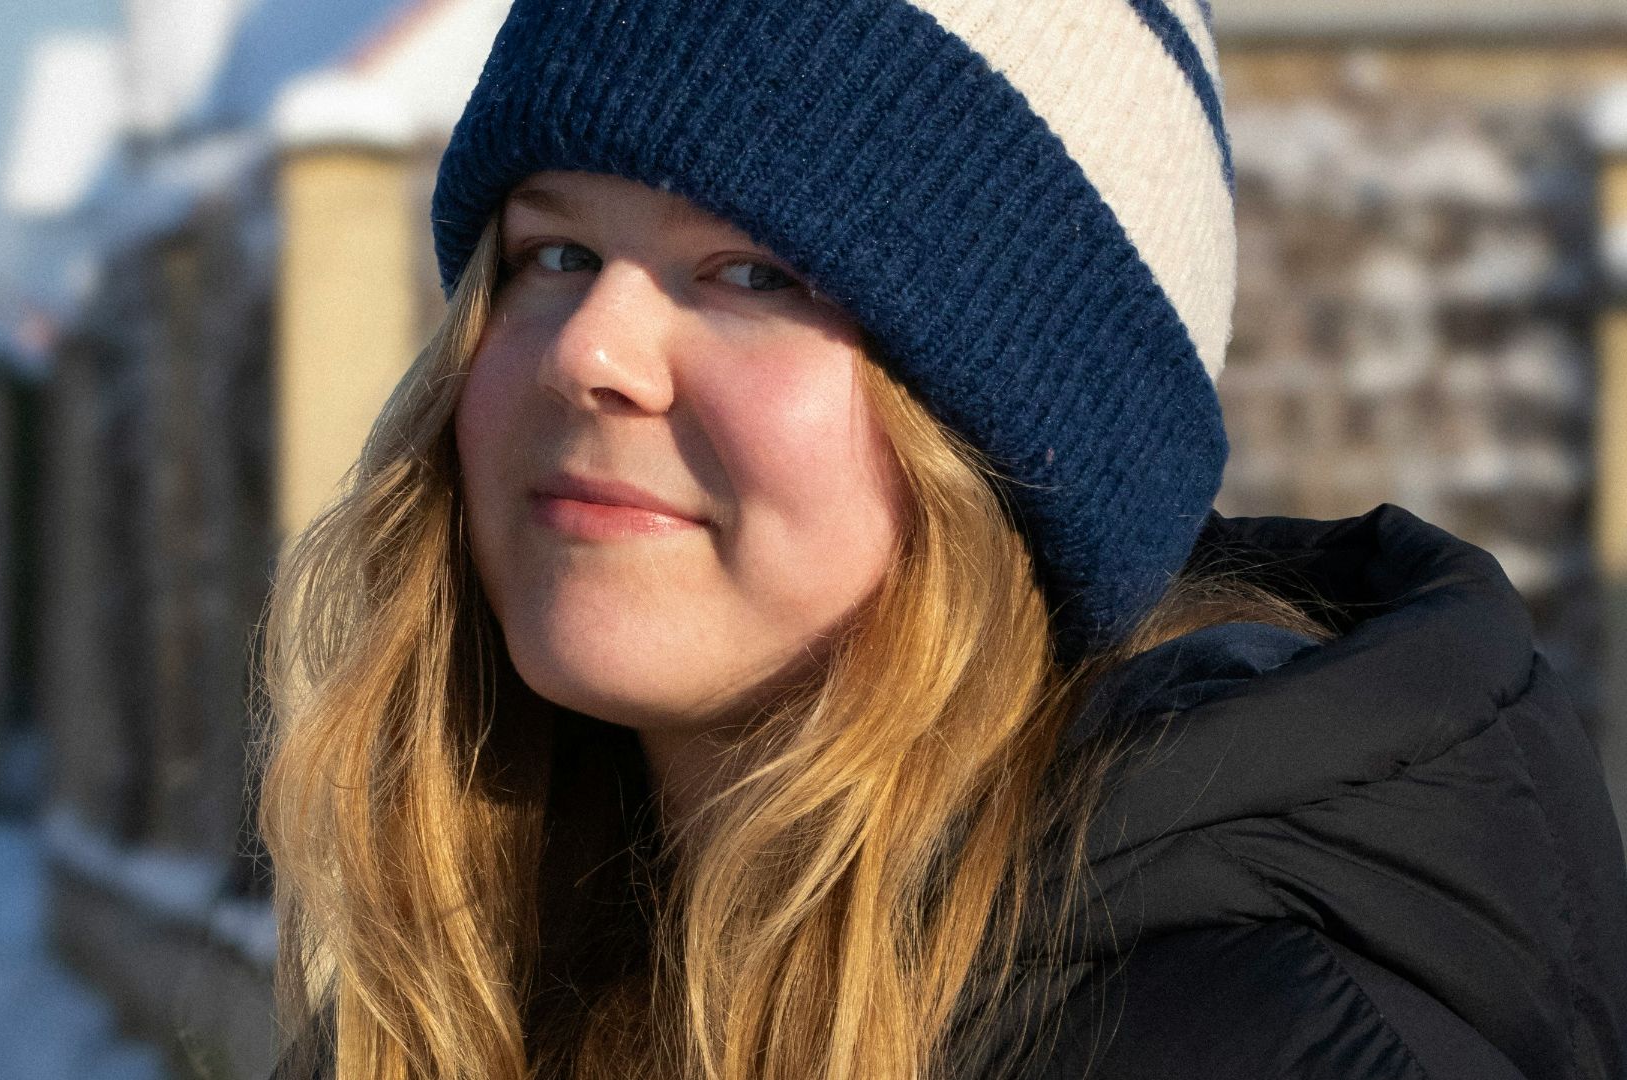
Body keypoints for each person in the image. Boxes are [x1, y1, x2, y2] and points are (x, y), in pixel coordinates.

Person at [259, 1, 1627, 1077]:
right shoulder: (464, 989)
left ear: (1005, 445)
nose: (593, 351)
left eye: (751, 273)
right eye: (551, 254)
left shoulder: (1261, 1039)